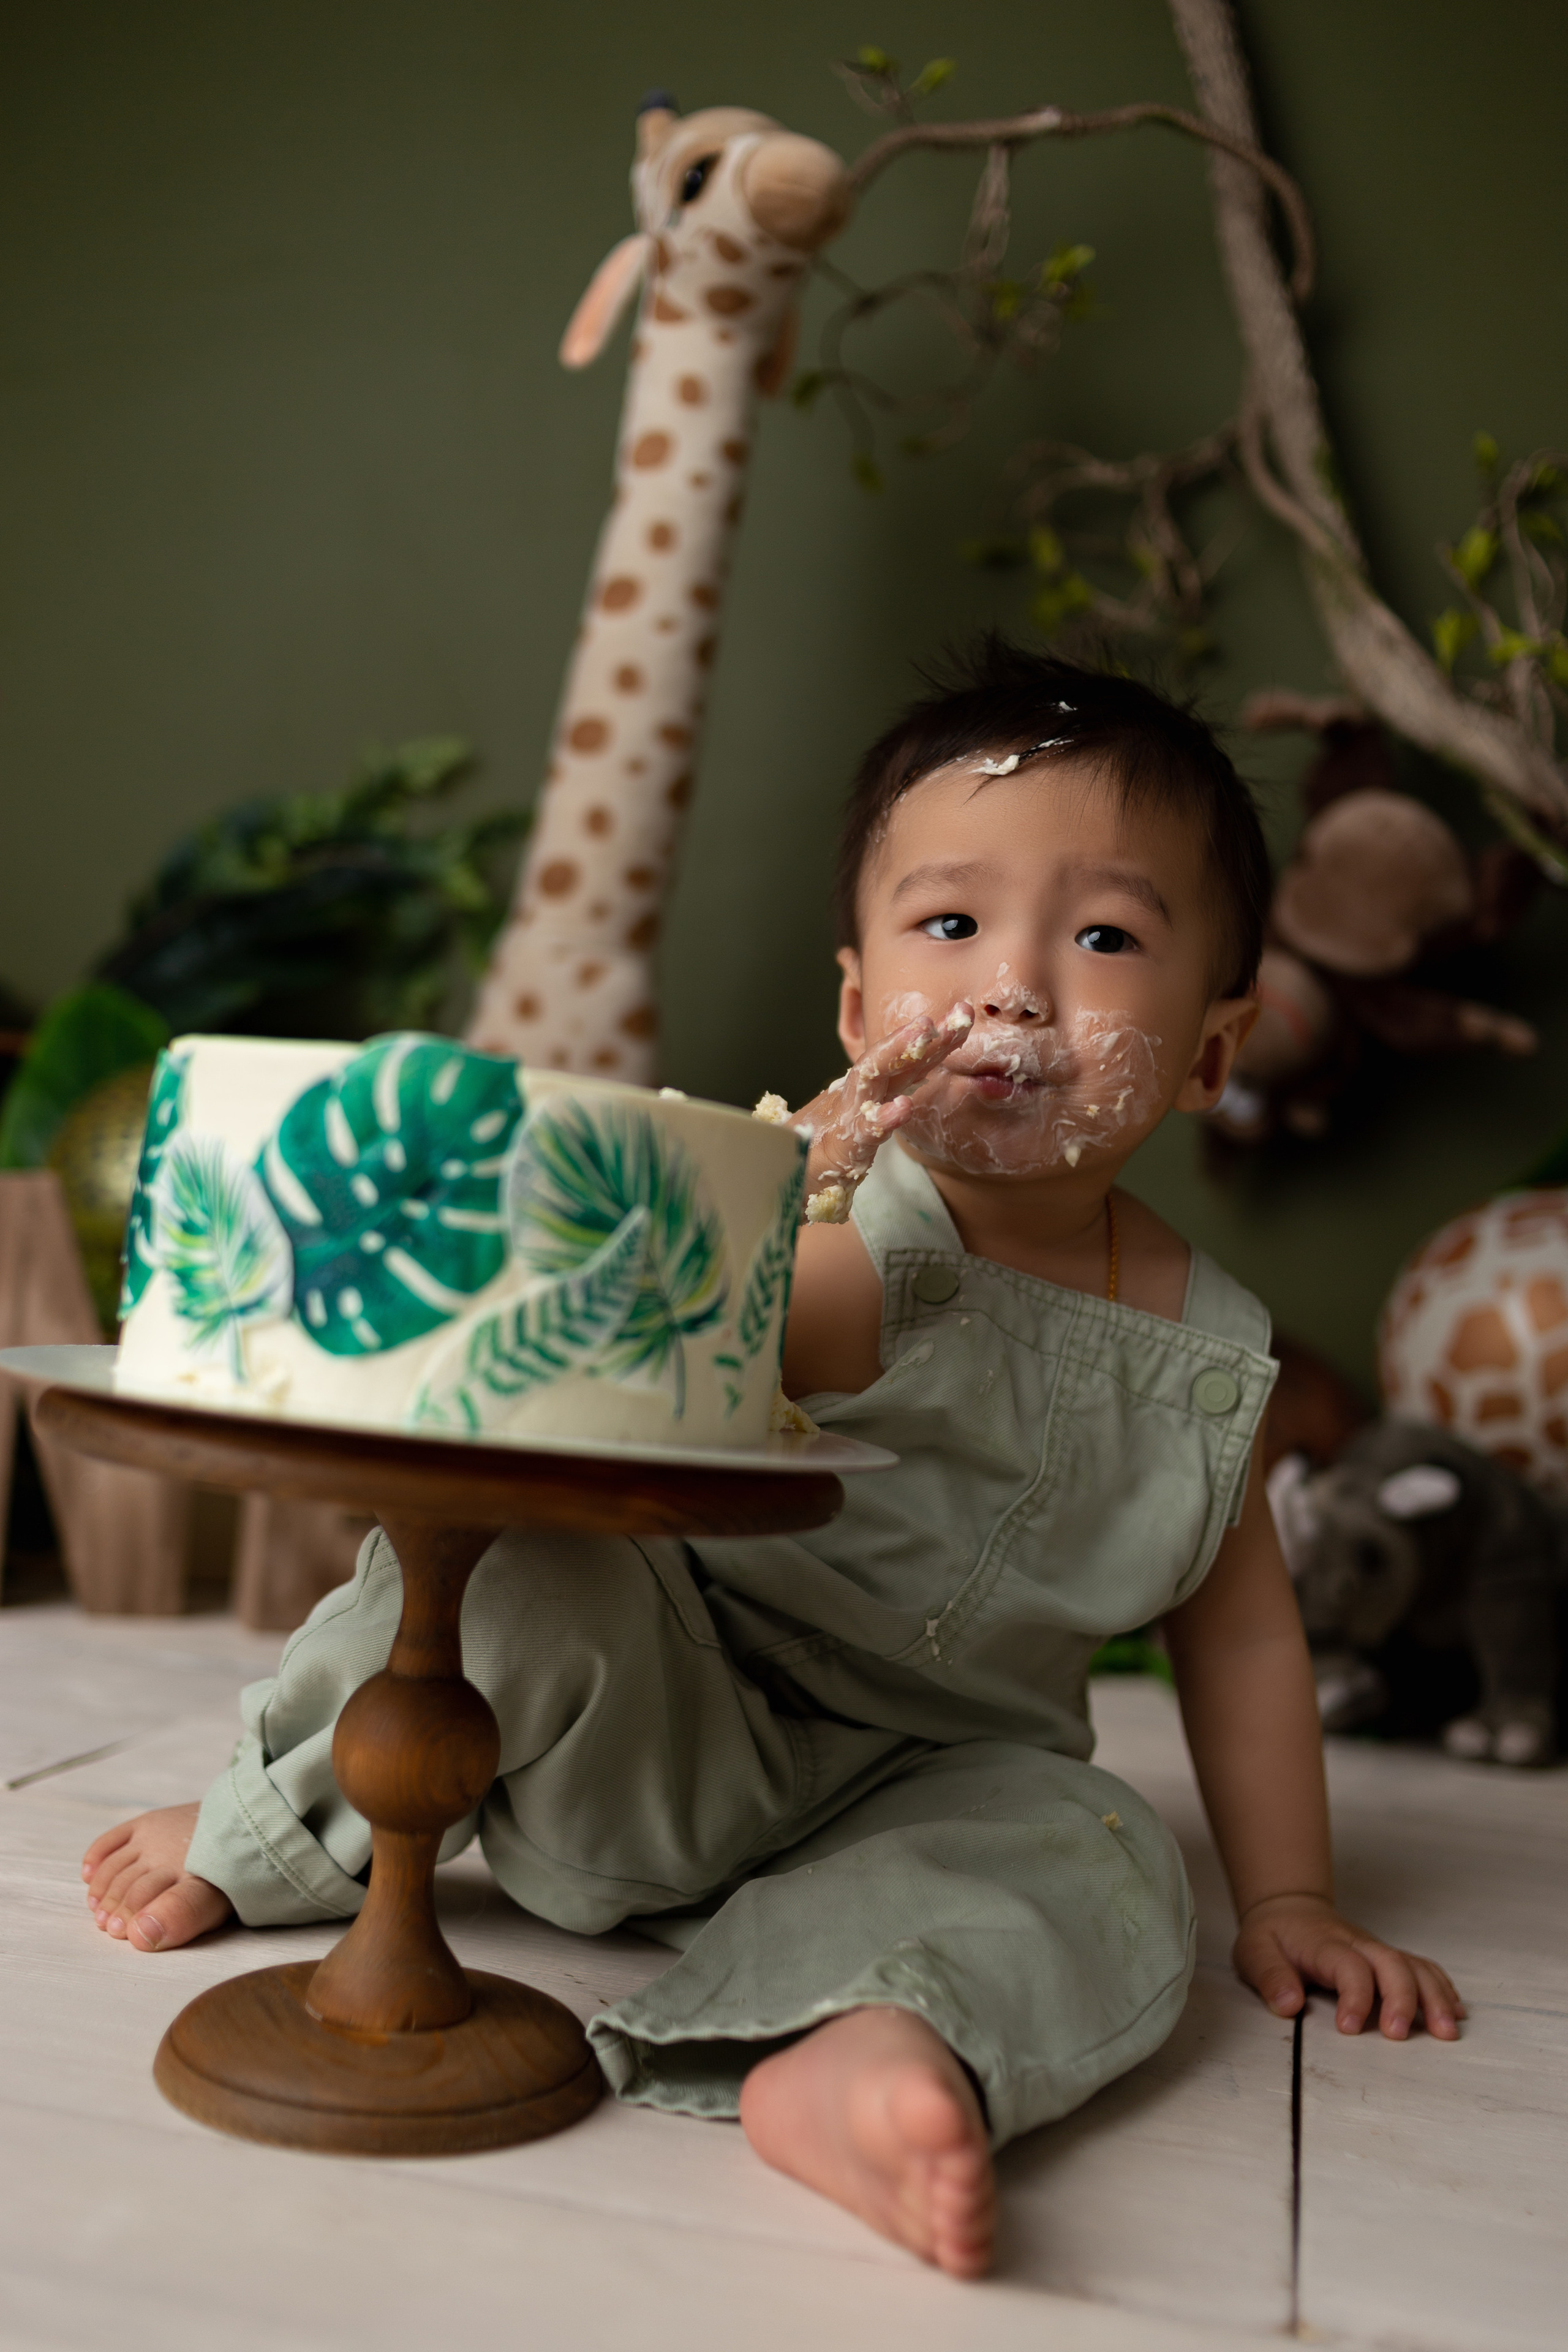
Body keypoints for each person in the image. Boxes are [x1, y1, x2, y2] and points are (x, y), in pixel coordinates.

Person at [81, 639, 1463, 2280]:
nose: (1014, 988)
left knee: (1104, 1848)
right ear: (862, 1012)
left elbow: (1241, 1642)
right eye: (951, 927)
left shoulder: (1215, 1356)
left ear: (1215, 1053)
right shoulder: (845, 1239)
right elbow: (703, 1343)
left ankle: (877, 2041)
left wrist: (1288, 1897)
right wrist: (789, 1188)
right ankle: (272, 1823)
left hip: (937, 1795)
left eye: (1103, 938)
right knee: (518, 1578)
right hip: (658, 1727)